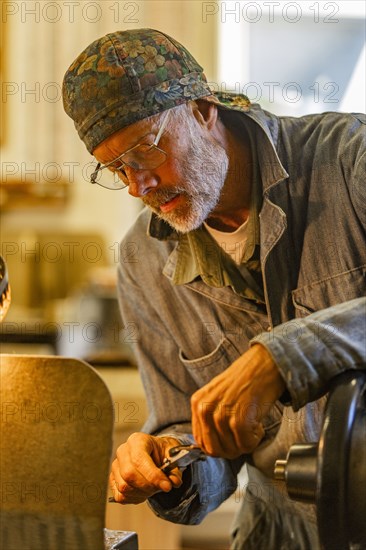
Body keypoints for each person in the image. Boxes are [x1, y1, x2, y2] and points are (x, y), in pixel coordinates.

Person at [62, 28, 366, 549]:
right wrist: (167, 463)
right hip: (282, 532)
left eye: (146, 151)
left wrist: (281, 357)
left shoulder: (349, 161)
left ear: (203, 109)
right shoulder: (144, 258)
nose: (139, 186)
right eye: (116, 169)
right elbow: (195, 435)